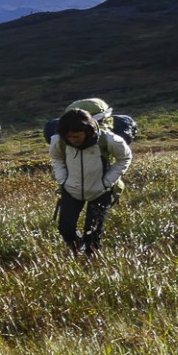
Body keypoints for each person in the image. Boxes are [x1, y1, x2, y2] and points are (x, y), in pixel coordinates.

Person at [50, 108, 131, 255]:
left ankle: (90, 260)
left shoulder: (108, 140)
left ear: (87, 130)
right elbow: (56, 159)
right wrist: (63, 180)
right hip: (71, 190)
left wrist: (107, 182)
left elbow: (124, 158)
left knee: (92, 233)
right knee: (65, 229)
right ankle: (78, 251)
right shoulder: (58, 141)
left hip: (101, 192)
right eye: (69, 137)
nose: (73, 140)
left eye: (77, 136)